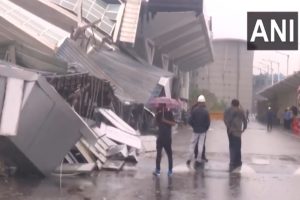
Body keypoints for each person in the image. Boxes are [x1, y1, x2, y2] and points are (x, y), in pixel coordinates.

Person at [186, 95, 210, 169]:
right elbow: (208, 123)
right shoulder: (206, 111)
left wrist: (194, 126)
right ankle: (198, 160)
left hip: (195, 130)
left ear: (198, 102)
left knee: (192, 144)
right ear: (203, 102)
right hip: (203, 131)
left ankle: (189, 159)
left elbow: (189, 121)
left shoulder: (194, 110)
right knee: (200, 145)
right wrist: (205, 129)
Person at [224, 99, 247, 172]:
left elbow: (224, 119)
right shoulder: (241, 111)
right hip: (238, 132)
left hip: (230, 132)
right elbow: (245, 120)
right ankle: (238, 162)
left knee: (232, 146)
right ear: (238, 104)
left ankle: (232, 162)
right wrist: (244, 128)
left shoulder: (228, 110)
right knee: (238, 146)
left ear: (232, 104)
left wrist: (228, 127)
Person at [153, 104, 176, 177]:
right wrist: (157, 116)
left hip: (167, 138)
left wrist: (165, 120)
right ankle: (157, 170)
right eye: (162, 107)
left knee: (169, 155)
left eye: (165, 106)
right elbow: (155, 124)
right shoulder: (159, 114)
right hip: (160, 137)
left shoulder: (170, 114)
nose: (164, 108)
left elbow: (173, 123)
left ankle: (170, 170)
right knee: (158, 154)